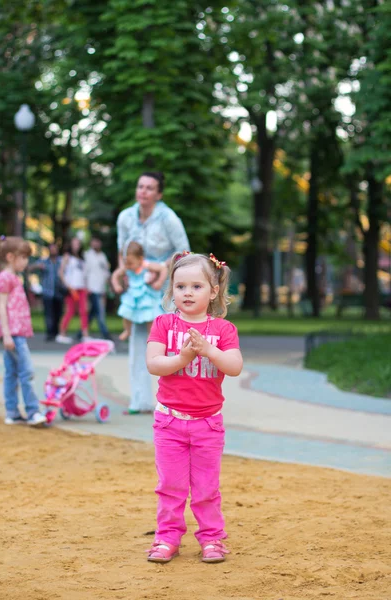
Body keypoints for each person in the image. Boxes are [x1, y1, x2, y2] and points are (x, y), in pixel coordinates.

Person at [146, 251, 243, 563]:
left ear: (213, 291)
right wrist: (184, 357)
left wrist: (208, 350)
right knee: (170, 487)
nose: (187, 293)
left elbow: (235, 366)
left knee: (206, 489)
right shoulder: (163, 323)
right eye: (180, 286)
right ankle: (167, 538)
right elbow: (154, 364)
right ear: (171, 290)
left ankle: (212, 539)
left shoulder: (223, 330)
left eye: (196, 286)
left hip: (208, 425)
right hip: (169, 423)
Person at [112, 171, 190, 413]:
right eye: (140, 186)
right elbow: (122, 250)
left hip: (162, 285)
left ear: (158, 194)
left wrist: (163, 273)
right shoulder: (126, 217)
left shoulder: (168, 218)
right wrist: (122, 274)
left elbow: (184, 252)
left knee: (167, 343)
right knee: (138, 343)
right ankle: (140, 400)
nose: (143, 191)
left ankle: (172, 400)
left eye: (149, 188)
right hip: (137, 287)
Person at [0, 236, 47, 426]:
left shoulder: (11, 277)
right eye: (23, 257)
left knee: (12, 372)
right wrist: (6, 334)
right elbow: (1, 307)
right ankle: (32, 412)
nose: (26, 262)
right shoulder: (5, 278)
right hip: (13, 334)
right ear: (10, 257)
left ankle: (12, 412)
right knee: (26, 371)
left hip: (16, 333)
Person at [112, 241, 168, 341]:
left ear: (140, 259)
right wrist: (116, 285)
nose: (128, 266)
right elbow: (115, 275)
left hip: (145, 295)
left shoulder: (146, 265)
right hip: (132, 295)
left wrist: (159, 282)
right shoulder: (126, 267)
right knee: (126, 312)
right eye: (126, 263)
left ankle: (151, 335)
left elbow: (163, 269)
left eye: (130, 263)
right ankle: (127, 330)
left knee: (150, 316)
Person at [56, 237, 90, 344]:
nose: (76, 246)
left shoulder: (82, 258)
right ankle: (61, 333)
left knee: (83, 311)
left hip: (82, 288)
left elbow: (84, 275)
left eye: (78, 243)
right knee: (69, 311)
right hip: (72, 288)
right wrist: (68, 285)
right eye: (74, 243)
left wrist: (86, 286)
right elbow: (60, 273)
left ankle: (85, 335)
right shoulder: (67, 257)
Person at [28, 243, 64, 341]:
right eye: (51, 249)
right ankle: (50, 333)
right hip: (47, 292)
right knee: (48, 314)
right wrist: (38, 266)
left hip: (59, 292)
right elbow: (30, 268)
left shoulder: (61, 261)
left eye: (54, 249)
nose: (53, 251)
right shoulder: (44, 261)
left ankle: (56, 332)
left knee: (58, 314)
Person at [84, 237, 112, 340]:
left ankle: (81, 332)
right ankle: (105, 333)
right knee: (100, 311)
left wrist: (107, 287)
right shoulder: (88, 255)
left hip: (101, 288)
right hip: (92, 288)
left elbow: (106, 272)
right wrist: (87, 287)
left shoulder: (102, 256)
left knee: (93, 312)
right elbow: (85, 273)